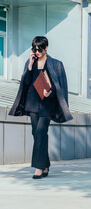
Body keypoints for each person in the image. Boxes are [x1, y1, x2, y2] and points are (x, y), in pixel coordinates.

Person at [9, 36, 73, 179]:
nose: (36, 52)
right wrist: (30, 67)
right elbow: (25, 83)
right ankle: (45, 165)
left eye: (39, 49)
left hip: (47, 105)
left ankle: (38, 168)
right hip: (32, 103)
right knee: (36, 133)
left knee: (41, 133)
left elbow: (61, 86)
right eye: (34, 49)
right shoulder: (30, 62)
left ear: (46, 48)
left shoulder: (56, 64)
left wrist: (50, 92)